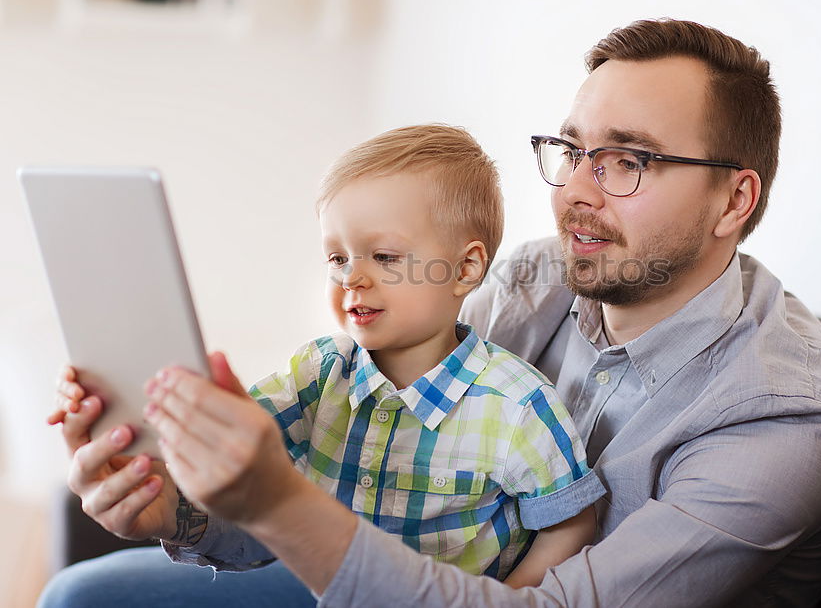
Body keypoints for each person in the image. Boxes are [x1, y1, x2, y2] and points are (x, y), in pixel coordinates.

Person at [41, 18, 821, 607]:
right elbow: (387, 488)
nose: (573, 189)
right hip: (419, 572)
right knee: (83, 591)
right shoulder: (541, 278)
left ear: (734, 199)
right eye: (572, 150)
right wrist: (178, 507)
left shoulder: (779, 423)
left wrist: (275, 501)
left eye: (627, 160)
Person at [43, 125, 604, 601]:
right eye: (337, 257)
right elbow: (242, 448)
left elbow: (571, 522)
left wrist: (512, 597)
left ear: (465, 269)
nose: (352, 278)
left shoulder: (516, 403)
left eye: (383, 257)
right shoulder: (318, 371)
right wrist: (140, 428)